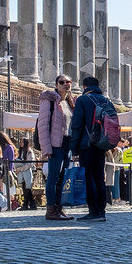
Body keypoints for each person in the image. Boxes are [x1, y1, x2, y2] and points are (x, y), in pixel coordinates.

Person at [68, 75, 117, 221]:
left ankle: (94, 211)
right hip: (101, 144)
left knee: (89, 177)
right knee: (99, 178)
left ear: (84, 87)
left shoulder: (83, 100)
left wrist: (74, 148)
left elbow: (76, 125)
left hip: (87, 144)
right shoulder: (107, 101)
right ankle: (101, 211)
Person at [38, 74, 76, 221]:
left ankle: (59, 208)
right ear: (56, 84)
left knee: (62, 178)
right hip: (55, 144)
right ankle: (51, 209)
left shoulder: (69, 102)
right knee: (53, 178)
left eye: (68, 82)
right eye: (62, 82)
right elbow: (43, 125)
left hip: (67, 143)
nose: (65, 84)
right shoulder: (49, 100)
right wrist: (46, 148)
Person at [15, 137, 38, 210]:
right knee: (24, 188)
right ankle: (29, 203)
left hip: (28, 171)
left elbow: (30, 163)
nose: (21, 143)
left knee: (28, 188)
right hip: (22, 173)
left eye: (22, 142)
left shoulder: (29, 152)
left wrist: (21, 168)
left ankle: (29, 203)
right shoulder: (21, 152)